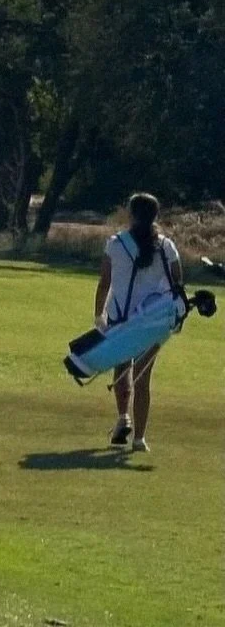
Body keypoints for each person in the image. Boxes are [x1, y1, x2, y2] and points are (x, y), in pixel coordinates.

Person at [92, 192, 182, 453]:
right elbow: (177, 282)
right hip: (153, 320)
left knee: (122, 369)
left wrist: (99, 315)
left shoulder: (116, 244)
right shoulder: (166, 246)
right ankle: (139, 438)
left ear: (131, 214)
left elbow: (104, 283)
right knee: (143, 377)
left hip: (120, 318)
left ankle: (123, 418)